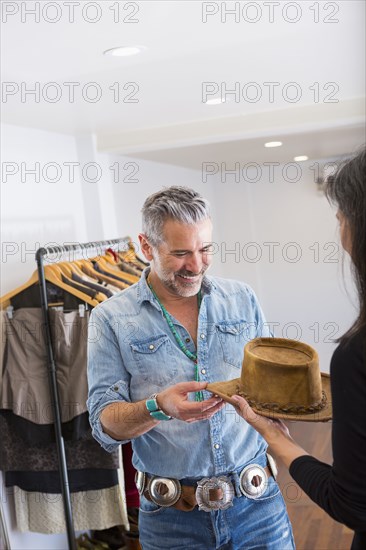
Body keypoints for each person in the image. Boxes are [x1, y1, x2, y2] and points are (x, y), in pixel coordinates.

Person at [87, 186, 295, 549]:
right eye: (181, 253)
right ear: (147, 246)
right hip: (171, 523)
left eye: (205, 249)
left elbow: (273, 385)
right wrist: (158, 407)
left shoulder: (242, 298)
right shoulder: (109, 318)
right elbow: (105, 426)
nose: (196, 265)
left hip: (258, 507)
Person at [232, 148, 366, 550]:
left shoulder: (356, 356)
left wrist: (277, 439)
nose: (339, 228)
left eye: (341, 217)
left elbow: (354, 505)